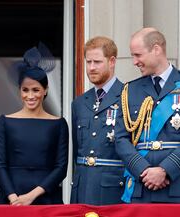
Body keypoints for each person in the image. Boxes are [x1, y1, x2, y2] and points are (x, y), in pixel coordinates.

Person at [0, 44, 69, 205]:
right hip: (11, 200)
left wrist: (31, 196)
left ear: (46, 90)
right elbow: (0, 166)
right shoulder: (5, 122)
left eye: (35, 90)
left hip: (46, 198)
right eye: (25, 90)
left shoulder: (59, 124)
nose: (30, 96)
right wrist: (13, 197)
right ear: (19, 91)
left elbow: (61, 168)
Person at [115, 27, 180, 203]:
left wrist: (166, 169)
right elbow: (120, 139)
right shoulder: (130, 90)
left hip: (176, 185)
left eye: (138, 55)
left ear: (156, 49)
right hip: (140, 187)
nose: (134, 62)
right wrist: (143, 170)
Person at [70, 36, 125, 205]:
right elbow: (77, 151)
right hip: (82, 188)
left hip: (113, 190)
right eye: (88, 62)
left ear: (112, 61)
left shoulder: (127, 97)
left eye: (97, 62)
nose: (91, 68)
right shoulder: (79, 103)